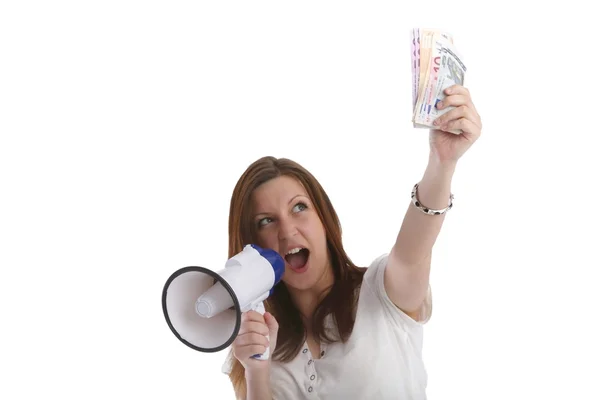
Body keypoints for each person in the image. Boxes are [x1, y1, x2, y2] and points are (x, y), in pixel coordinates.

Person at [221, 84, 482, 399]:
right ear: (252, 245)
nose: (287, 231)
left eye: (299, 208)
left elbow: (412, 254)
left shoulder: (380, 293)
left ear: (324, 220)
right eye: (266, 221)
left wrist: (442, 163)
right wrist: (257, 373)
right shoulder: (258, 345)